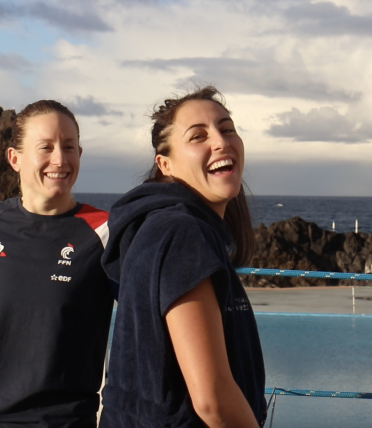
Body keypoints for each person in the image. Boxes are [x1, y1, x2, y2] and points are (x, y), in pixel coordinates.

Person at [99, 86, 266, 427]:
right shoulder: (181, 232)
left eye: (227, 128)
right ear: (166, 164)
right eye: (198, 136)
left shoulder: (161, 227)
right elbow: (211, 399)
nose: (220, 142)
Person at [0, 100, 114, 427]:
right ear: (15, 158)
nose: (60, 159)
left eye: (69, 147)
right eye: (46, 147)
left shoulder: (106, 231)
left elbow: (155, 321)